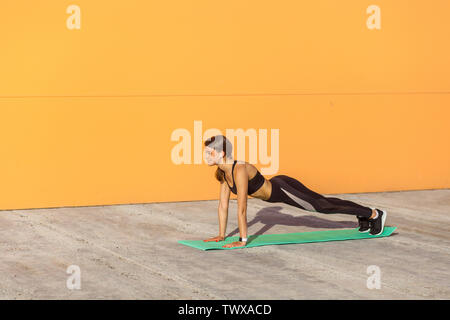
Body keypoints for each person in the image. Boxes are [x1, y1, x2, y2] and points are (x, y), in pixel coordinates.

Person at [202, 135, 387, 248]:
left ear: (222, 153)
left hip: (281, 189)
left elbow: (242, 208)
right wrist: (221, 235)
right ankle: (364, 215)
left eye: (209, 152)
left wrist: (242, 240)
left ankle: (373, 214)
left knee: (322, 206)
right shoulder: (223, 173)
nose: (205, 156)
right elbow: (223, 206)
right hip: (279, 184)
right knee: (323, 202)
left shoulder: (239, 169)